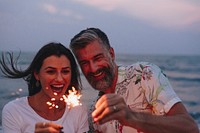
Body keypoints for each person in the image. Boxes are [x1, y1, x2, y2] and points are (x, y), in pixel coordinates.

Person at [69, 28, 199, 133]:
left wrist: (131, 117)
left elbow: (190, 128)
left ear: (112, 54)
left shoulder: (144, 74)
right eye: (85, 63)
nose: (93, 68)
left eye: (98, 58)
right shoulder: (94, 112)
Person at [0, 42, 89, 133]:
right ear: (37, 74)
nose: (59, 79)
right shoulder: (14, 111)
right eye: (51, 72)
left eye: (65, 71)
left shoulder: (78, 111)